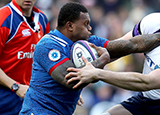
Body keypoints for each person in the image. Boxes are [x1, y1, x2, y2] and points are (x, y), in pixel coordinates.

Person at [20, 2, 160, 115]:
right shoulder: (49, 45)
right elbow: (71, 80)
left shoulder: (88, 42)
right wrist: (102, 61)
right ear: (70, 26)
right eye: (86, 24)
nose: (90, 27)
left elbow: (130, 45)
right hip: (38, 111)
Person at [65, 13, 160, 115]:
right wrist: (80, 77)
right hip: (145, 100)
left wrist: (97, 73)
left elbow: (147, 82)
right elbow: (121, 48)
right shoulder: (153, 23)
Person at [0, 0, 50, 114]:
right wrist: (15, 87)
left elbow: (45, 61)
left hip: (28, 95)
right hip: (5, 95)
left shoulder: (42, 19)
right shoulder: (3, 18)